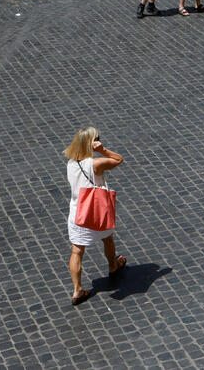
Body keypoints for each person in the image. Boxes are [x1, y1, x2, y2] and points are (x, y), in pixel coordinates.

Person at [64, 127, 126, 307]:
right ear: (91, 143)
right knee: (107, 239)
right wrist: (102, 149)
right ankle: (113, 265)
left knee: (77, 251)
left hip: (78, 212)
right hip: (96, 210)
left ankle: (77, 289)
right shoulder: (95, 164)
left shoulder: (71, 163)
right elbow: (118, 159)